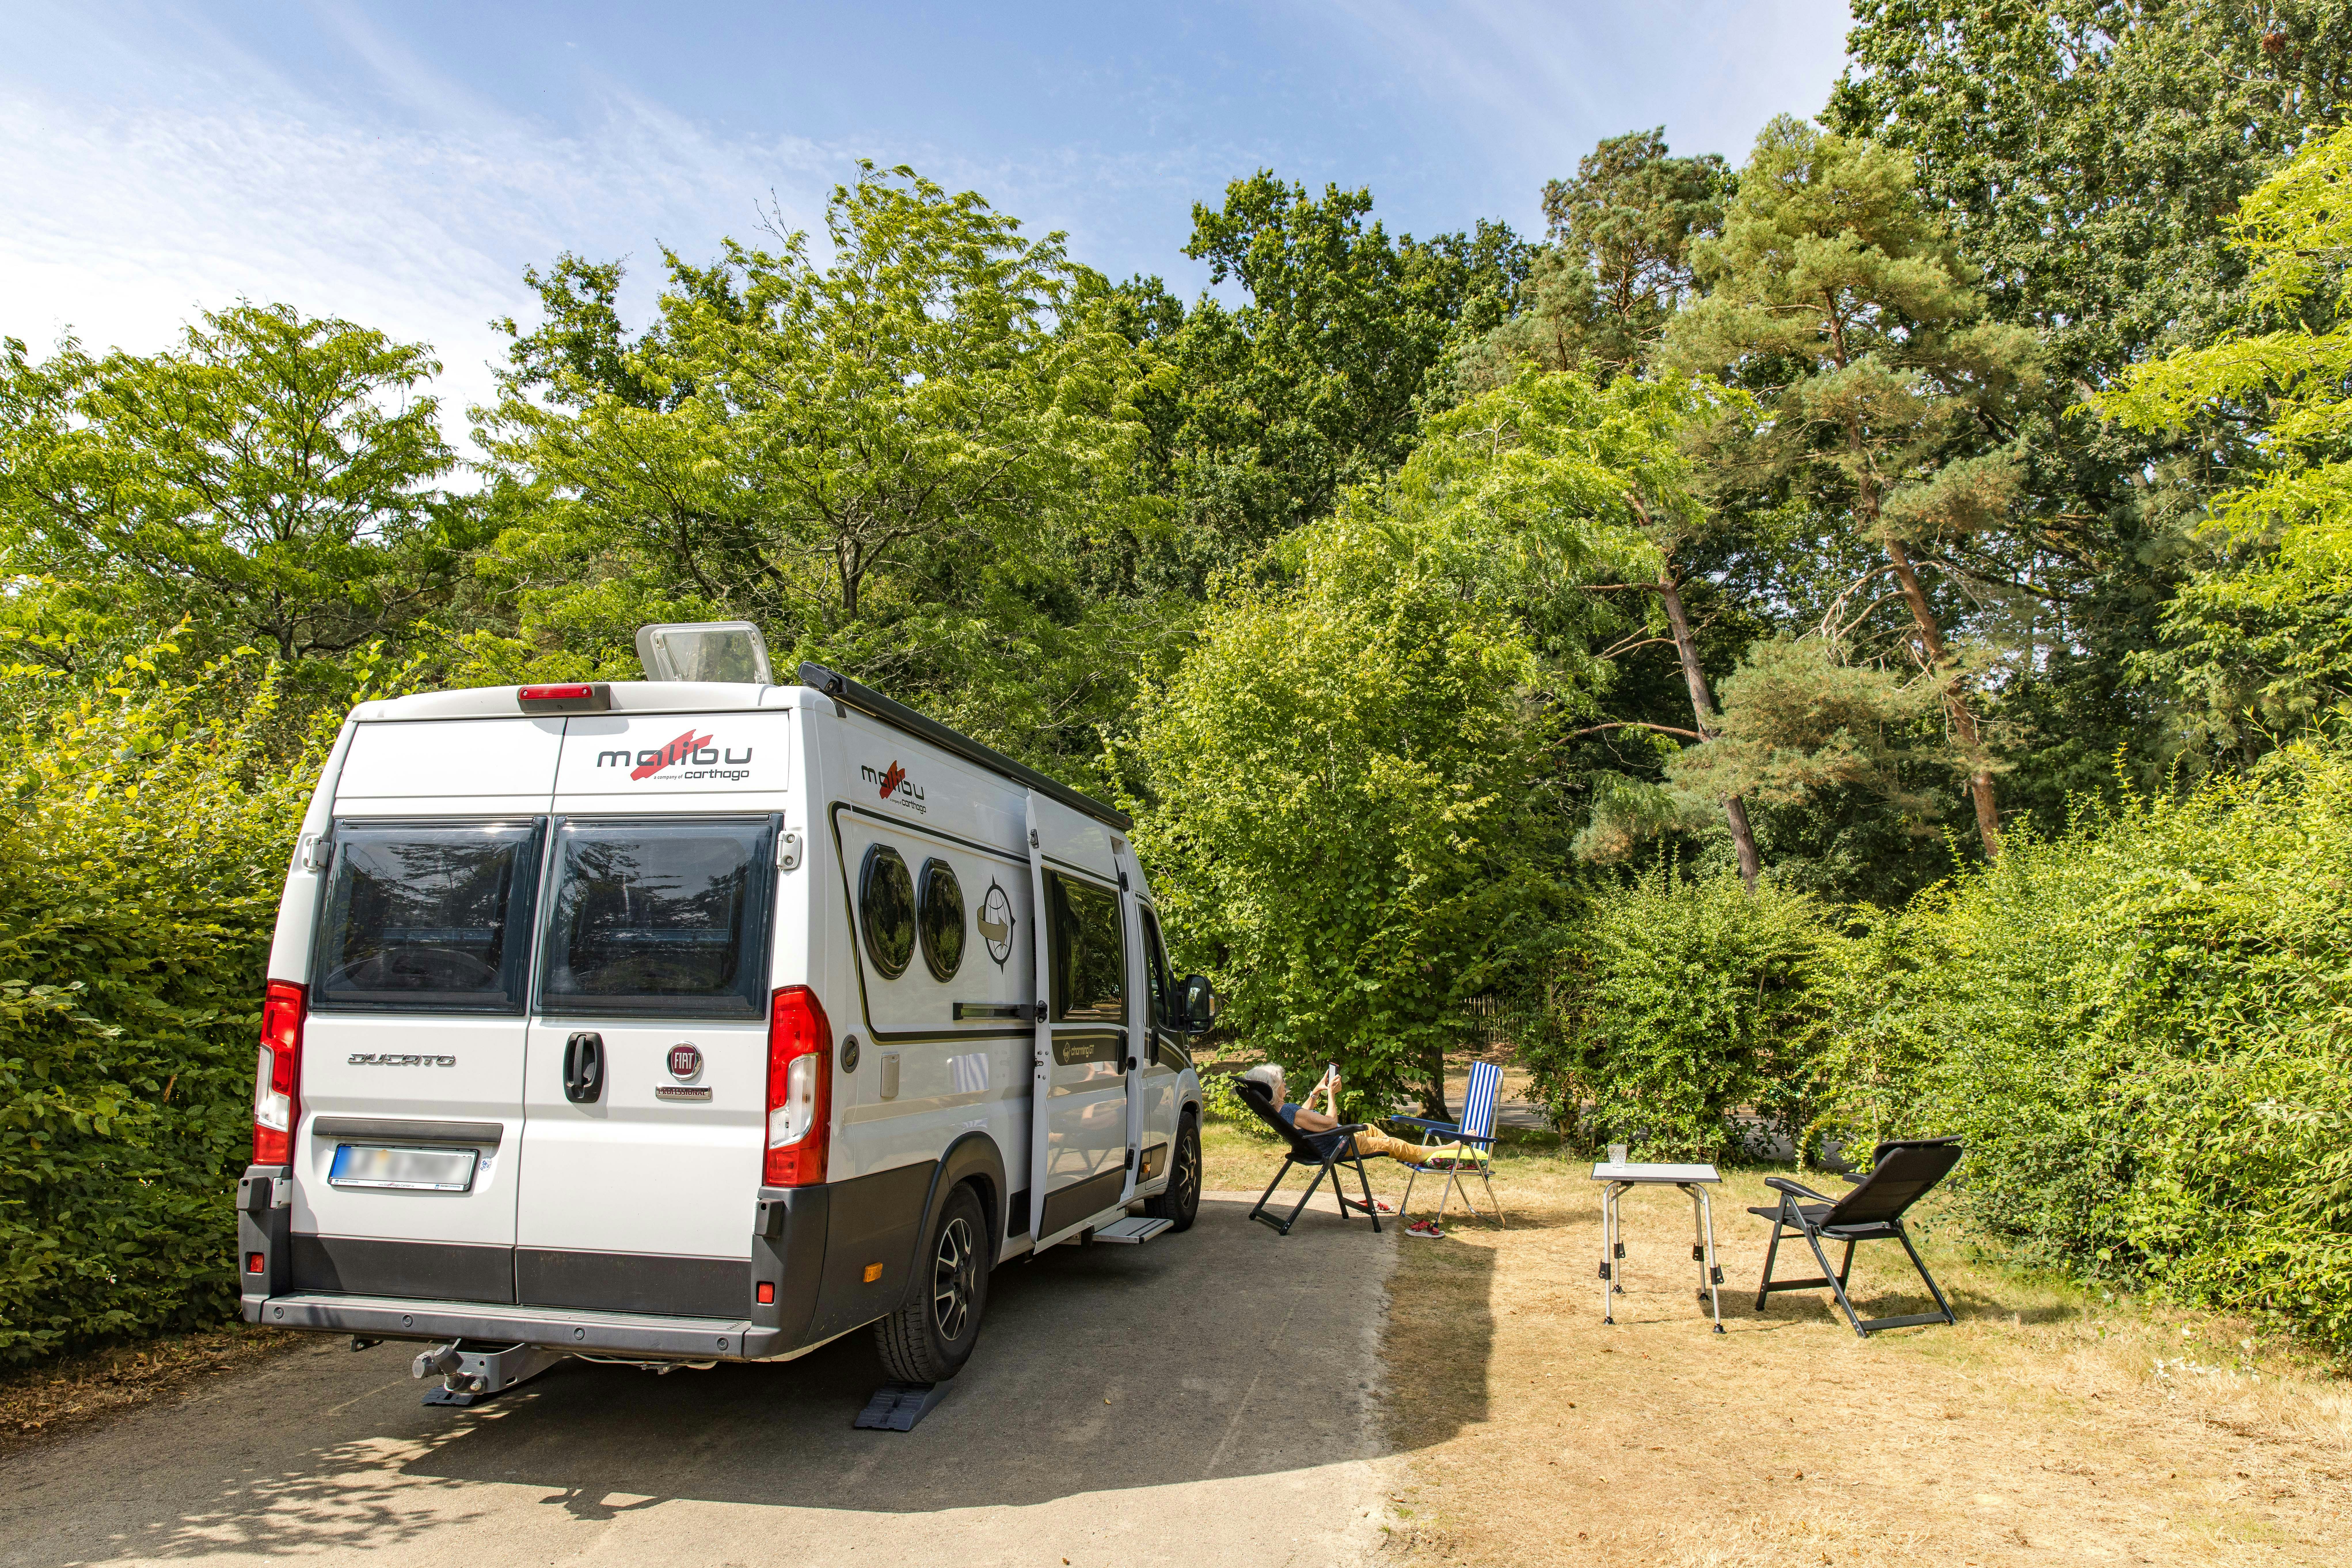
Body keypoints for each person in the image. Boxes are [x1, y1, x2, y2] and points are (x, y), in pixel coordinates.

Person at [1243, 1063, 1473, 1238]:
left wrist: (1315, 1093)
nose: (1285, 1084)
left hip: (1315, 1146)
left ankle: (1411, 1151)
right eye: (1283, 1081)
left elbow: (1302, 1118)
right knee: (1390, 1145)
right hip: (1337, 1144)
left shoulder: (1278, 1110)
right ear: (1275, 1088)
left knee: (1373, 1130)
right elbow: (1331, 1124)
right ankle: (1438, 1150)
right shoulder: (1290, 1109)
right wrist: (1332, 1095)